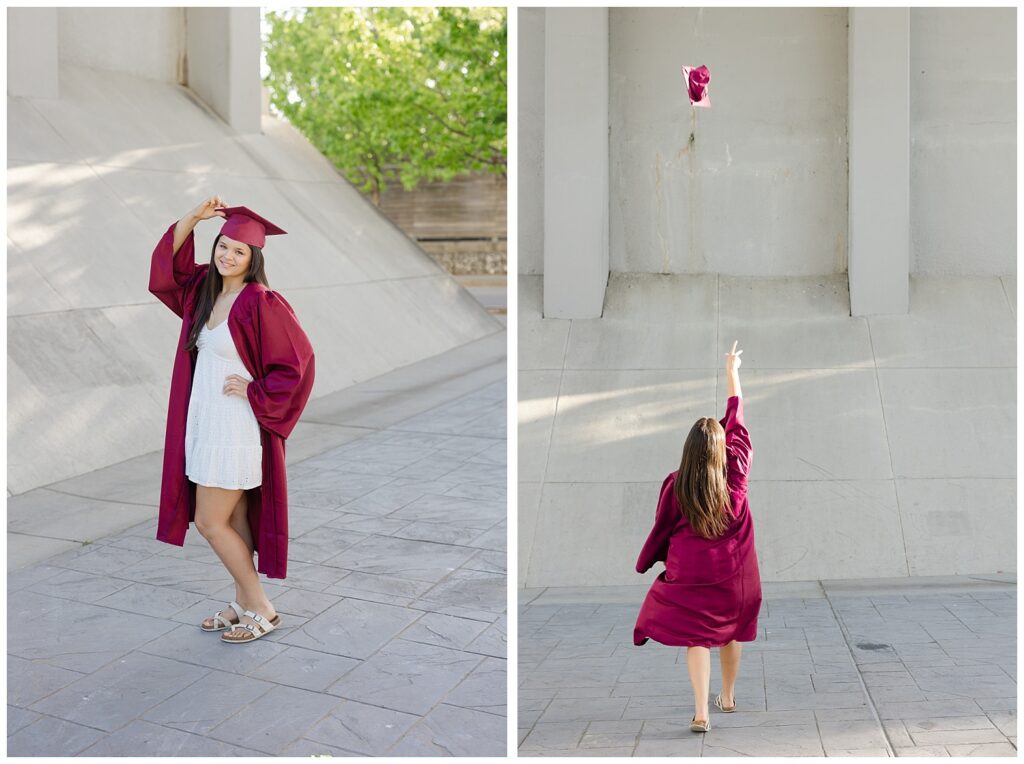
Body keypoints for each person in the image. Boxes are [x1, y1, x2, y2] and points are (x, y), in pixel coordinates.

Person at [149, 196, 315, 644]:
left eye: (239, 251)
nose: (228, 255)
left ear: (253, 258)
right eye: (223, 246)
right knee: (235, 518)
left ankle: (261, 605)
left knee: (209, 521)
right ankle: (244, 602)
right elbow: (167, 276)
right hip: (206, 422)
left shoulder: (260, 301)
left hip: (235, 428)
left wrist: (256, 391)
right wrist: (193, 219)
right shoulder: (206, 288)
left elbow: (298, 363)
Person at [633, 340, 761, 732]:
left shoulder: (677, 483)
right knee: (731, 629)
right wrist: (732, 370)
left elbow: (663, 525)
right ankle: (728, 696)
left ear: (688, 450)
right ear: (724, 449)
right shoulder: (736, 472)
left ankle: (701, 712)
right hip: (733, 570)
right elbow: (737, 417)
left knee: (697, 636)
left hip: (690, 569)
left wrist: (649, 559)